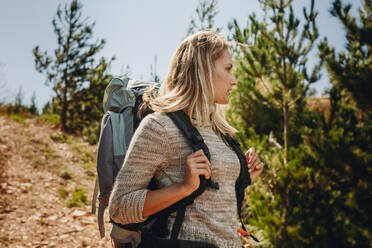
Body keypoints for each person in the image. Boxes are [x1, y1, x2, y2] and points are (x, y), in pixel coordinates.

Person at [109, 31, 264, 248]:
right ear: (204, 70)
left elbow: (209, 203)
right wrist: (183, 187)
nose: (234, 80)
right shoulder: (160, 126)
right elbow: (119, 208)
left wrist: (243, 179)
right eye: (228, 69)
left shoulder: (218, 131)